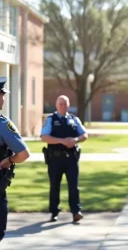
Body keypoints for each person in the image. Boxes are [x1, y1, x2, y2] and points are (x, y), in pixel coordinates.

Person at [40, 95, 88, 223]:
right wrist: (61, 141)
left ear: (68, 105)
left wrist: (75, 140)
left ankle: (76, 212)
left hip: (72, 158)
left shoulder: (74, 119)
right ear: (56, 105)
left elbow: (84, 134)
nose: (63, 106)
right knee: (54, 186)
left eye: (65, 104)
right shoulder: (50, 119)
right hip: (55, 159)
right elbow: (44, 137)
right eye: (60, 104)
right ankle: (54, 212)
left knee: (74, 186)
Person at [0, 77, 30, 241]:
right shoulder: (3, 125)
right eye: (2, 95)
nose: (3, 99)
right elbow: (23, 154)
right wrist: (9, 160)